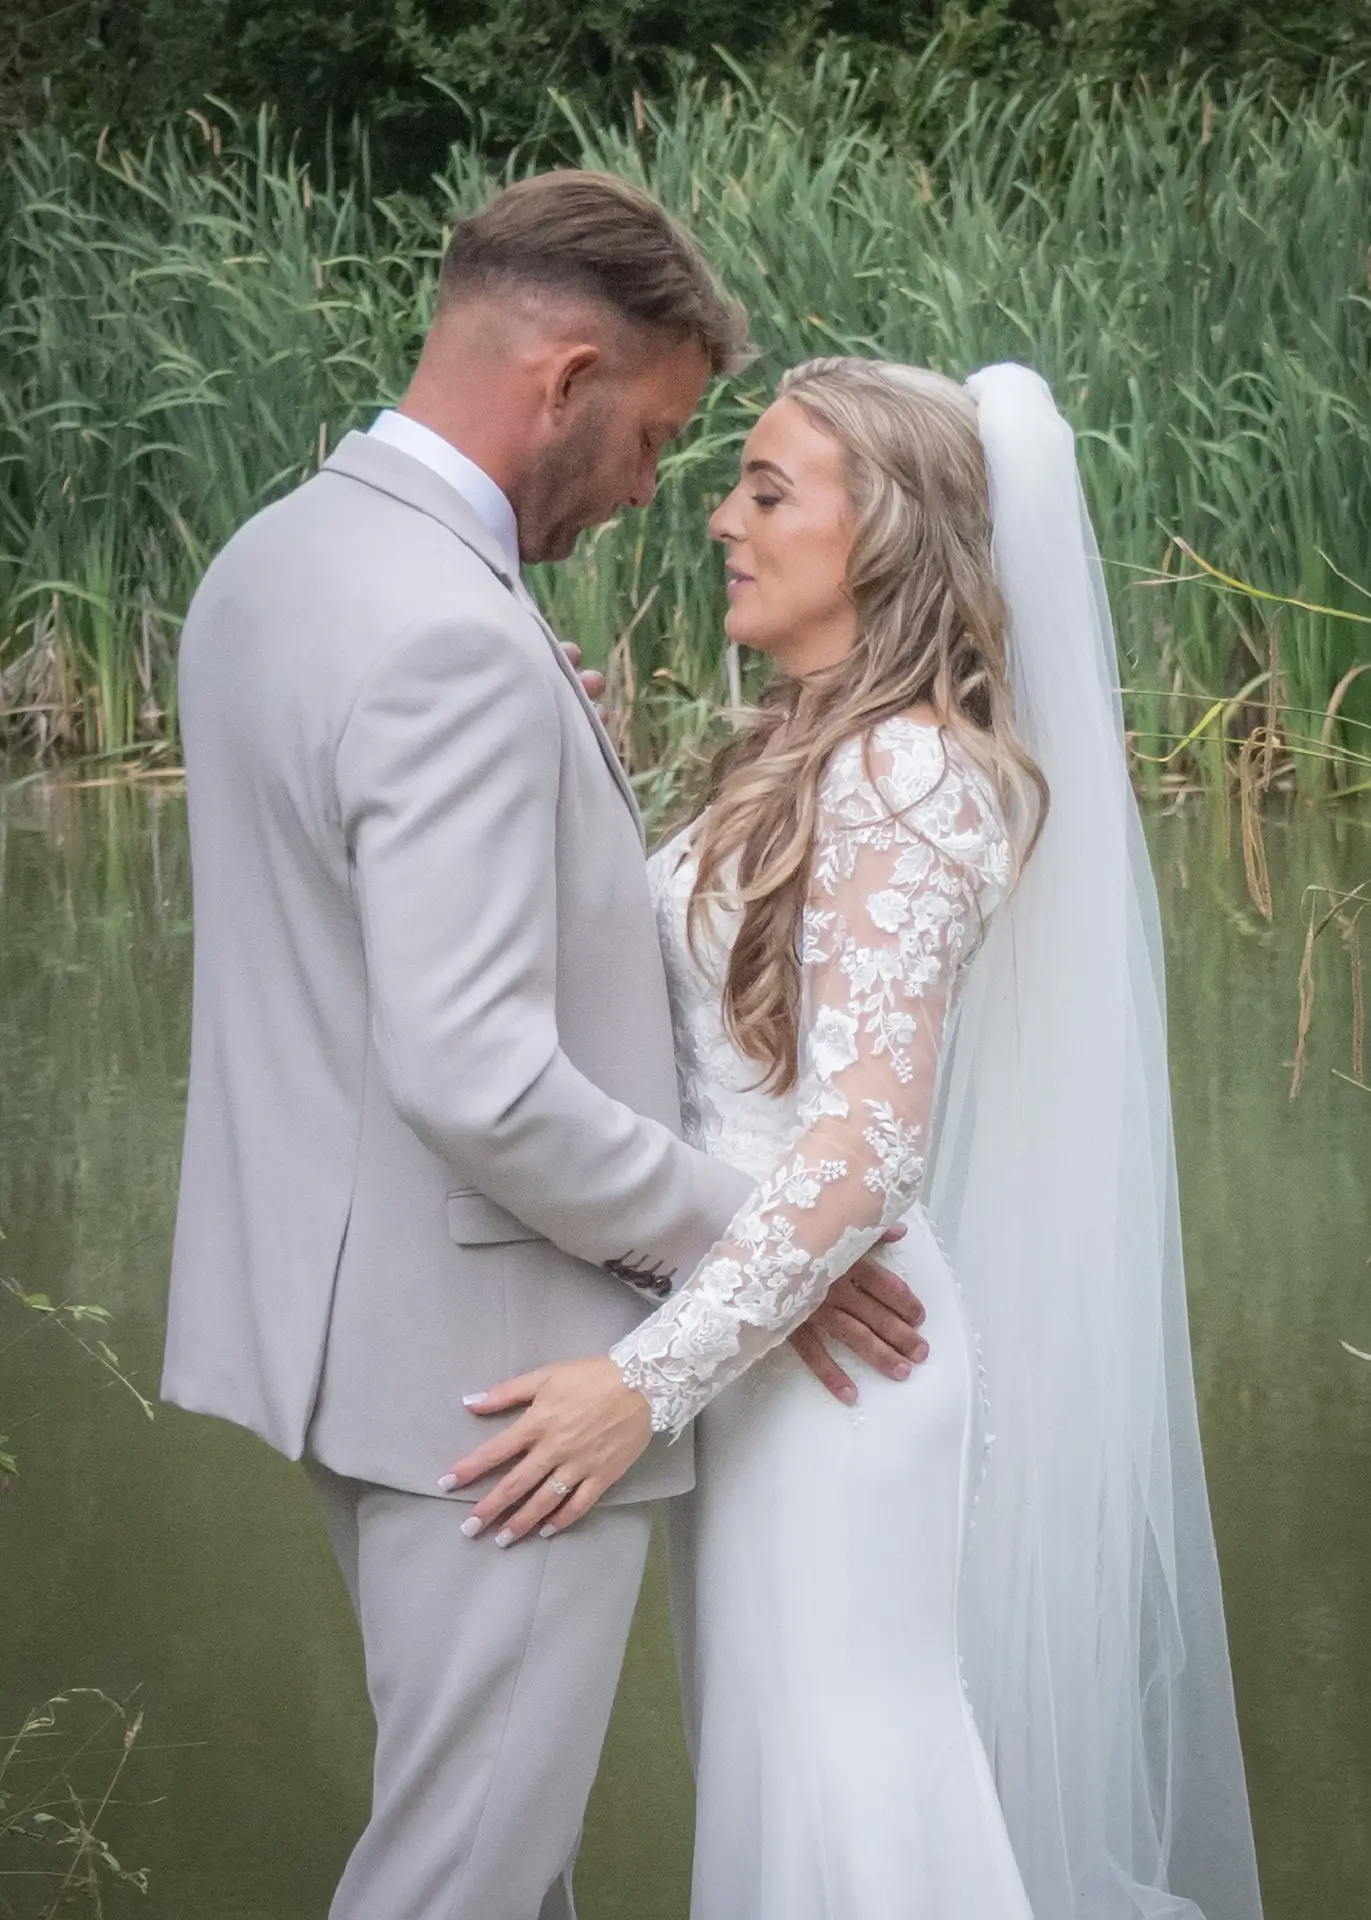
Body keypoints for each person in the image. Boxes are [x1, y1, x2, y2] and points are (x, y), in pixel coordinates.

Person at [159, 176, 929, 1920]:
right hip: (503, 1372)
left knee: (513, 1863)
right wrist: (767, 1252)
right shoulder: (452, 634)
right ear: (564, 377)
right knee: (456, 1881)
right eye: (658, 436)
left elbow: (343, 924)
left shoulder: (279, 558)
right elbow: (480, 1076)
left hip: (343, 1331)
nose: (664, 487)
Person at [454, 360, 1265, 1919]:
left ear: (883, 533)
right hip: (767, 1336)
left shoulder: (907, 773)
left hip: (831, 1370)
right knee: (786, 1782)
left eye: (767, 491)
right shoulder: (812, 750)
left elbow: (863, 1144)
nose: (718, 519)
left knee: (852, 1789)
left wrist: (642, 1385)